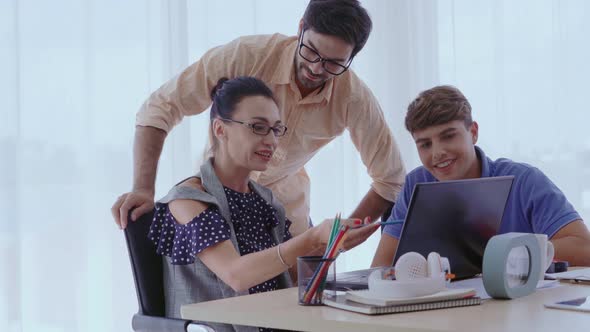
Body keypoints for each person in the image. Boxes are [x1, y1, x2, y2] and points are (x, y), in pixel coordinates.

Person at [111, 0, 405, 237]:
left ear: (352, 57)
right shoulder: (247, 56)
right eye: (311, 51)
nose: (316, 69)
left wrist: (336, 241)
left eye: (333, 63)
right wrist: (143, 189)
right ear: (301, 28)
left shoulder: (353, 97)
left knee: (293, 304)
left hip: (287, 213)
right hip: (218, 197)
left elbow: (389, 180)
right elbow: (161, 106)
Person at [147, 76, 379, 332]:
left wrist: (332, 244)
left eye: (276, 129)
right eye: (258, 127)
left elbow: (289, 277)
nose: (271, 140)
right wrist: (312, 237)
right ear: (220, 129)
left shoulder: (266, 201)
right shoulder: (187, 200)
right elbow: (236, 275)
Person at [371, 85, 590, 268]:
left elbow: (584, 248)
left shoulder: (524, 180)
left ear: (473, 132)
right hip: (441, 313)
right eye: (425, 144)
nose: (437, 152)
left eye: (448, 136)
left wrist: (510, 253)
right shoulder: (415, 184)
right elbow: (381, 267)